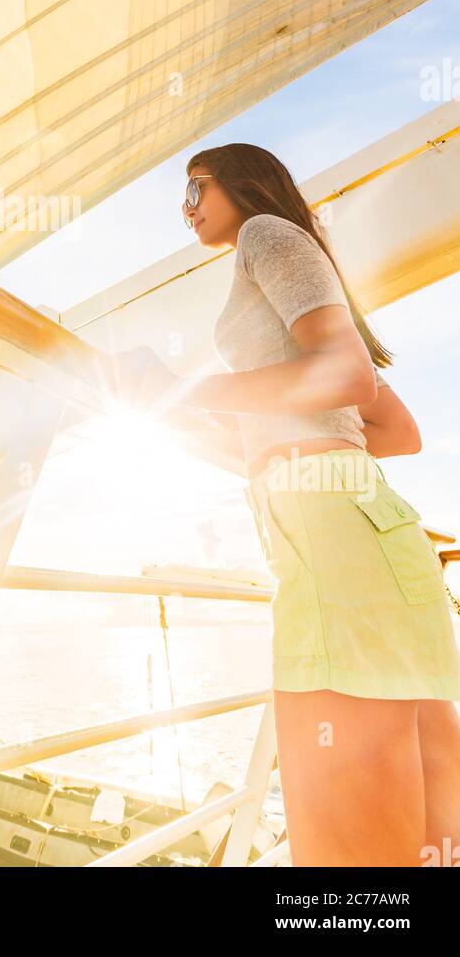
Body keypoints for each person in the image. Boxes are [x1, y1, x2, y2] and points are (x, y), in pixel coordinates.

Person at [99, 142, 460, 867]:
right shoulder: (284, 261)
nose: (187, 206)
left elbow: (346, 376)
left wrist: (183, 389)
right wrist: (174, 414)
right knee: (423, 811)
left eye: (197, 186)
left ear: (244, 182)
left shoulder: (267, 235)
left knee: (346, 821)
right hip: (354, 531)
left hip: (338, 542)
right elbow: (393, 428)